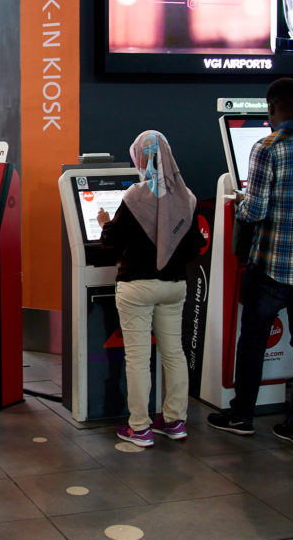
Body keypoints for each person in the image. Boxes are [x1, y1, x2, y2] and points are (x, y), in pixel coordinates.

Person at [208, 78, 293, 448]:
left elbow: (254, 210)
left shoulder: (268, 148)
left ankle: (242, 416)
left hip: (273, 265)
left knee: (252, 339)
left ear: (272, 110)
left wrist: (239, 197)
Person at [97, 131, 204, 447]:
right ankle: (175, 422)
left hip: (137, 288)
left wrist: (104, 221)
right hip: (174, 287)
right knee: (174, 354)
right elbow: (195, 245)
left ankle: (140, 427)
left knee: (138, 357)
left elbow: (111, 242)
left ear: (141, 158)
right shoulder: (188, 197)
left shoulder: (134, 197)